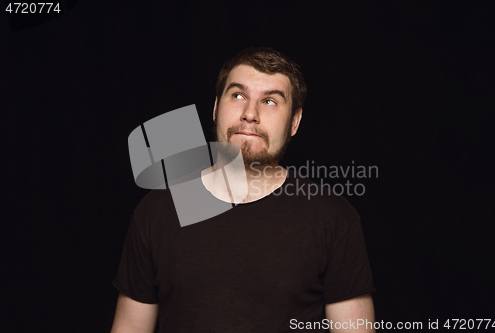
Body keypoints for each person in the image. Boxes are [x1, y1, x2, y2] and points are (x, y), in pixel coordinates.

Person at [111, 47, 376, 332]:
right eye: (238, 95)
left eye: (270, 101)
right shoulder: (158, 210)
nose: (250, 114)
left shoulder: (333, 218)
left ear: (295, 122)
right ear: (215, 108)